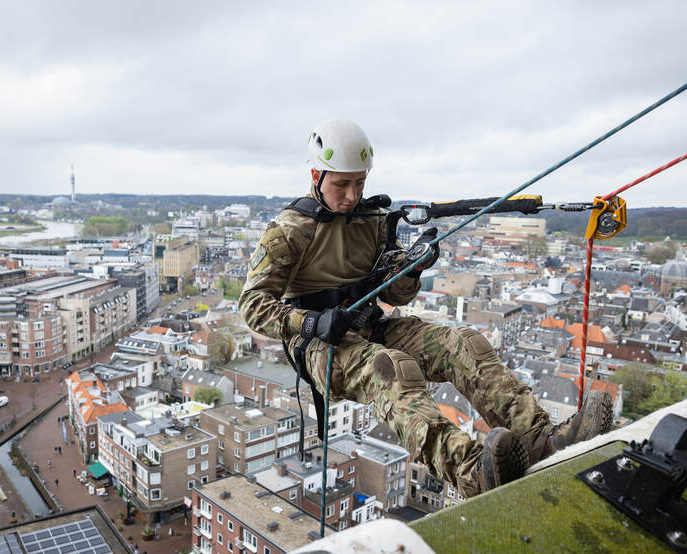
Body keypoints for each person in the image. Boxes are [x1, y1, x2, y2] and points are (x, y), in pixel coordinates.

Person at [238, 119, 613, 497]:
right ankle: (473, 472)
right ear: (317, 175)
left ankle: (540, 439)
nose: (352, 195)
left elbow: (396, 296)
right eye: (341, 184)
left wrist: (411, 269)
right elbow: (252, 305)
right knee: (389, 370)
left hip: (369, 325)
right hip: (322, 348)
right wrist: (311, 323)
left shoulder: (370, 223)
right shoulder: (290, 230)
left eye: (360, 183)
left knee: (463, 344)